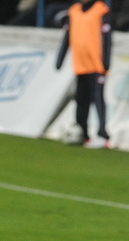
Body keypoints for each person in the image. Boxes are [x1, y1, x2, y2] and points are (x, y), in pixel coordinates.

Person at [56, 0, 112, 148]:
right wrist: (60, 59)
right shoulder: (73, 11)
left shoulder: (101, 10)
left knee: (98, 100)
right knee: (81, 100)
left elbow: (107, 38)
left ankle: (102, 135)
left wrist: (106, 62)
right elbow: (67, 36)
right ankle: (82, 133)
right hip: (80, 65)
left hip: (96, 65)